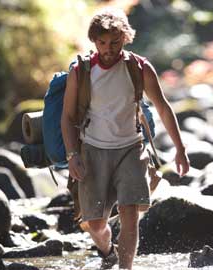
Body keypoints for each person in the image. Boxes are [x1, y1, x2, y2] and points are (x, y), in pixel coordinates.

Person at [61, 8, 190, 270]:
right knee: (96, 225)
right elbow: (67, 117)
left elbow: (163, 108)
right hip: (92, 151)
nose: (108, 49)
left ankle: (125, 268)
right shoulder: (81, 71)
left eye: (115, 42)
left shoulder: (139, 68)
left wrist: (180, 148)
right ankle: (108, 250)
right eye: (102, 42)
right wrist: (73, 155)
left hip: (131, 149)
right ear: (94, 41)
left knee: (130, 215)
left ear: (125, 39)